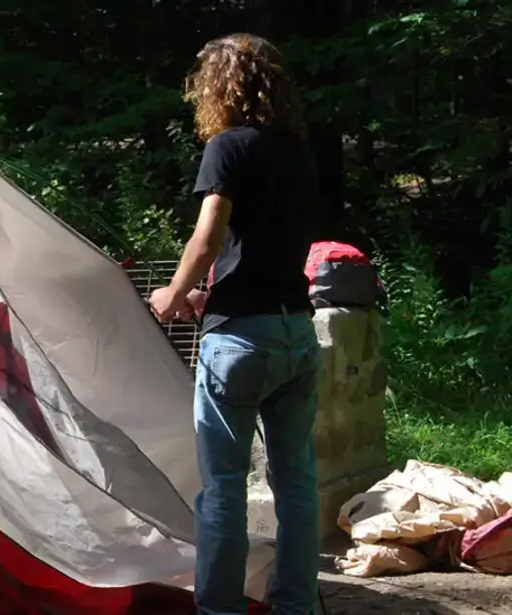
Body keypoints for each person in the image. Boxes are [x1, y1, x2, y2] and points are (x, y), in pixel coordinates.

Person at [147, 33, 322, 615]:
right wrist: (208, 292)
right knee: (295, 482)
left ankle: (219, 610)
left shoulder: (227, 146)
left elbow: (209, 235)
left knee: (222, 487)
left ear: (217, 88)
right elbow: (265, 246)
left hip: (239, 342)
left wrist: (173, 293)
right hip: (296, 331)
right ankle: (295, 605)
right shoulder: (298, 148)